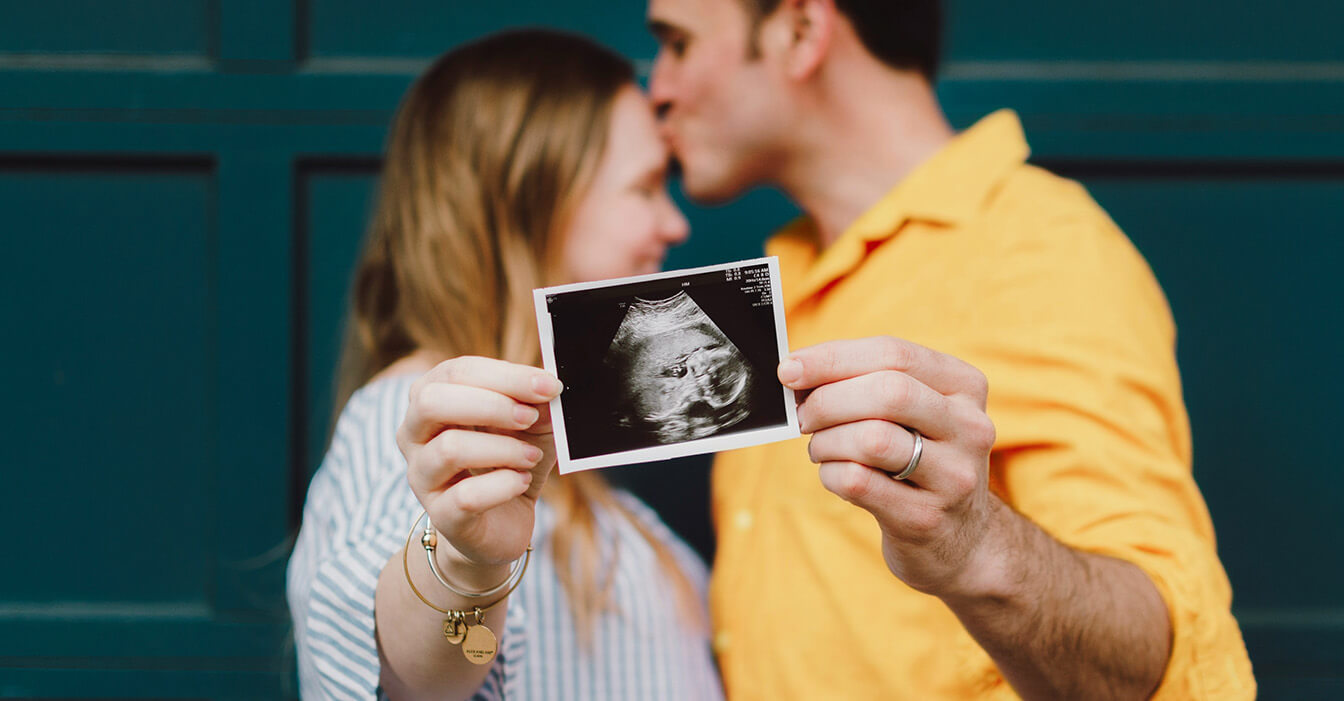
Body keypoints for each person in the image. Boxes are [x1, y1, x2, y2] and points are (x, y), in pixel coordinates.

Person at [645, 0, 1256, 698]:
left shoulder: (1040, 251)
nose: (656, 86)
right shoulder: (777, 286)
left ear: (801, 30)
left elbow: (1153, 658)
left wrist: (975, 547)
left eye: (678, 43)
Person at [287, 30, 723, 700]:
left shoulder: (557, 458)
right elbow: (406, 672)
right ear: (529, 203)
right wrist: (466, 562)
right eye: (644, 188)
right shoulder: (420, 423)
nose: (675, 224)